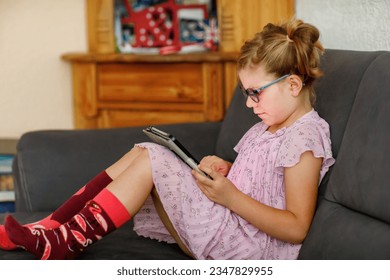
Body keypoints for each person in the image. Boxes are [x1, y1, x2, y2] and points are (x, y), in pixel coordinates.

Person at [0, 18, 335, 260]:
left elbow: (296, 227)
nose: (248, 104)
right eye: (245, 94)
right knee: (146, 148)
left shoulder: (304, 140)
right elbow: (265, 181)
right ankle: (51, 226)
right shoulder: (269, 124)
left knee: (154, 158)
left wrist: (230, 197)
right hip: (232, 223)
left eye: (255, 94)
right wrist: (228, 168)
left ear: (292, 85)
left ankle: (64, 242)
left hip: (248, 250)